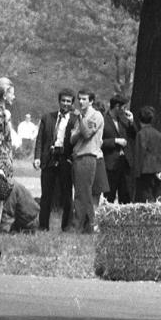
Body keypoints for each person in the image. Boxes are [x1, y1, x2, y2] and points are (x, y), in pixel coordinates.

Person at [33, 89, 76, 231]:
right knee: (46, 194)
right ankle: (43, 225)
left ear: (72, 103)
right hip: (49, 159)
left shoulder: (75, 120)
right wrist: (37, 157)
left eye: (68, 101)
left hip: (65, 159)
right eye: (63, 100)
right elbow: (40, 139)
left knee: (67, 194)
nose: (65, 103)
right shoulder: (47, 118)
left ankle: (66, 226)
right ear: (59, 101)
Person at [68, 89, 104, 233]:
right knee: (80, 193)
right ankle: (87, 226)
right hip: (77, 157)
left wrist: (80, 120)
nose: (81, 102)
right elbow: (72, 139)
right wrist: (80, 125)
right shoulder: (81, 117)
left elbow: (87, 133)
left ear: (91, 101)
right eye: (79, 99)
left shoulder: (95, 116)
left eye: (84, 99)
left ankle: (82, 225)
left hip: (88, 156)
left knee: (84, 193)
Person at [101, 94, 136, 204]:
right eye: (124, 107)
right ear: (117, 106)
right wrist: (115, 141)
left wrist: (132, 122)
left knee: (126, 196)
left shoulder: (124, 120)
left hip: (125, 162)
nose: (125, 110)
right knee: (109, 196)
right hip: (110, 164)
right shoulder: (103, 120)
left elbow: (134, 135)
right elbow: (99, 142)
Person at [130, 106, 161, 202]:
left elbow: (139, 154)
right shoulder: (158, 134)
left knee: (144, 199)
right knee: (157, 198)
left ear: (139, 119)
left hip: (145, 171)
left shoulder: (141, 134)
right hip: (159, 170)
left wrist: (135, 174)